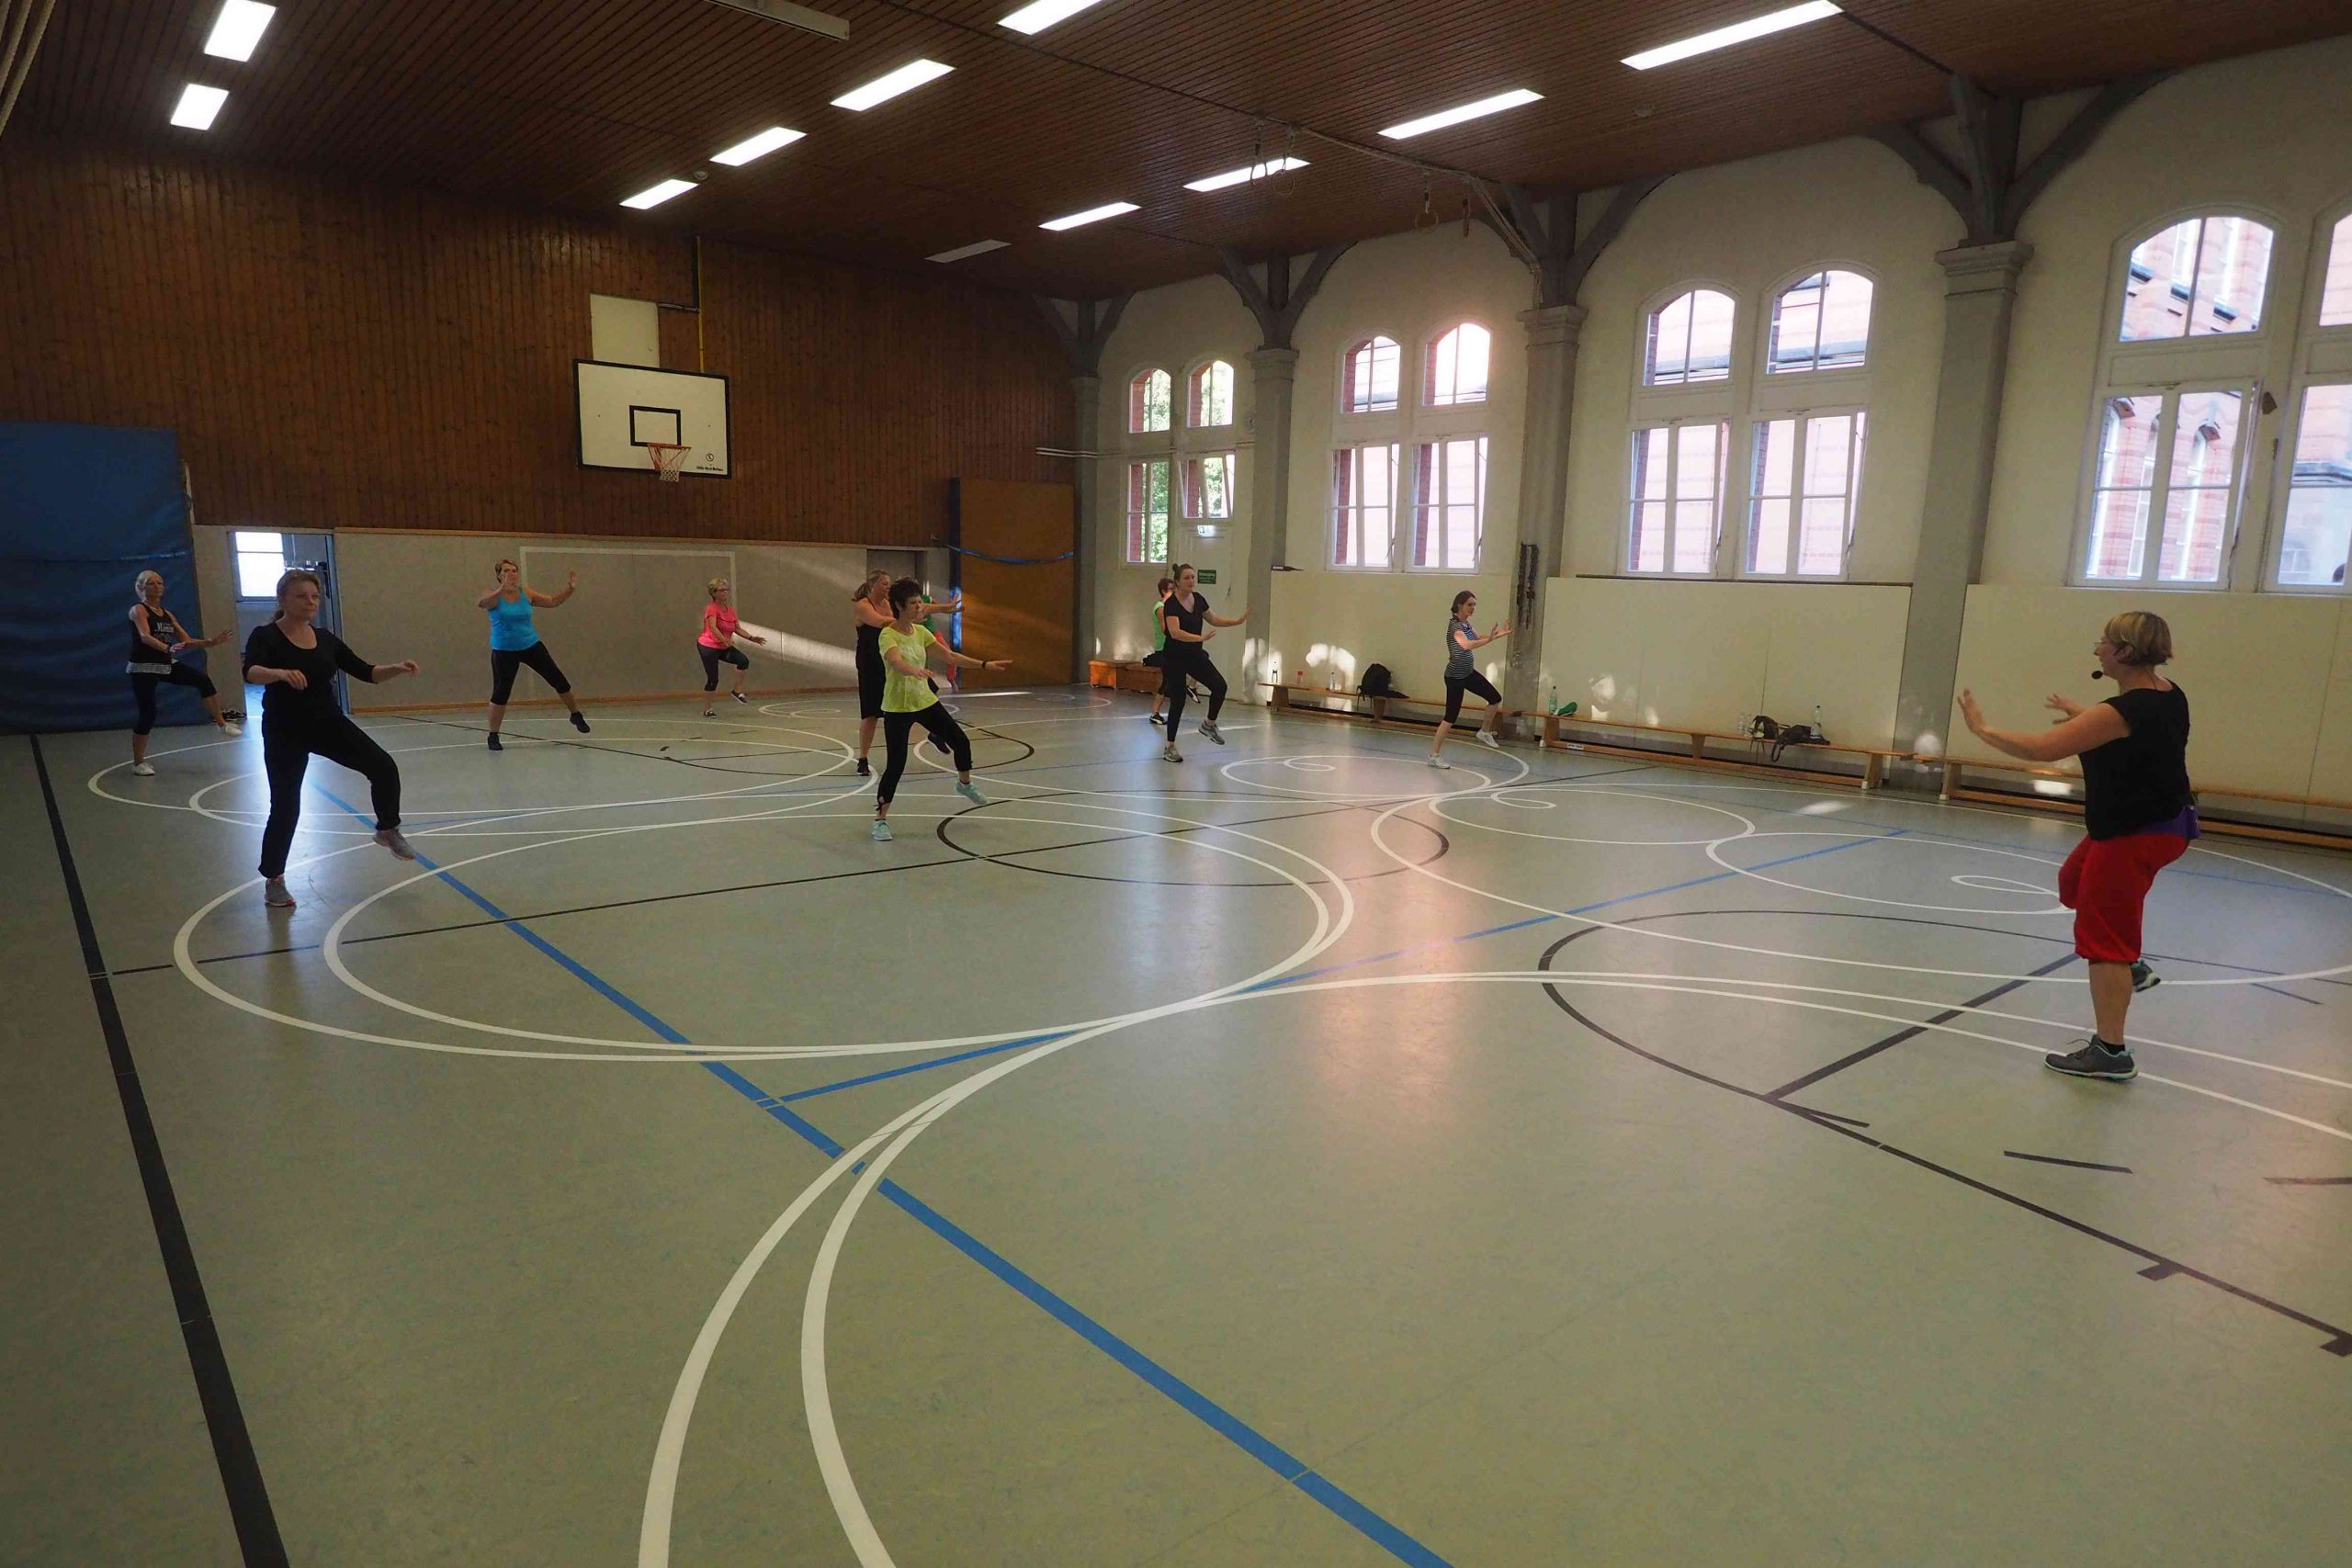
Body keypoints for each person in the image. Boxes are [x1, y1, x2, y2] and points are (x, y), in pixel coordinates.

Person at [1959, 609, 2194, 1081]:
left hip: (2134, 835)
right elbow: (2131, 729)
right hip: (2166, 824)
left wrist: (1982, 730)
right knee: (2073, 882)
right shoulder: (2168, 694)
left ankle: (2112, 1052)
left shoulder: (2118, 712)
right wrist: (2084, 715)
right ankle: (2131, 966)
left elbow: (2043, 749)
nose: (2097, 649)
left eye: (2104, 642)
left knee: (2104, 942)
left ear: (2125, 651)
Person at [242, 569, 420, 908]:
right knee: (285, 805)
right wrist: (278, 673)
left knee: (383, 766)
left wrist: (396, 668)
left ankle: (387, 829)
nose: (310, 602)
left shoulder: (325, 639)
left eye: (314, 597)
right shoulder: (265, 636)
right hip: (285, 730)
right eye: (301, 596)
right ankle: (274, 879)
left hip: (328, 724)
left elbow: (366, 672)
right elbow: (250, 671)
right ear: (282, 599)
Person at [872, 577, 1008, 842]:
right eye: (913, 603)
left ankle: (964, 784)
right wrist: (913, 670)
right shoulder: (888, 634)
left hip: (924, 701)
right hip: (898, 707)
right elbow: (896, 662)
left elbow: (950, 656)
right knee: (896, 765)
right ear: (899, 606)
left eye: (919, 603)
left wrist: (984, 665)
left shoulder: (921, 632)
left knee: (961, 741)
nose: (919, 607)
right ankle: (880, 820)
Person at [124, 568, 240, 774]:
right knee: (148, 713)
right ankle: (138, 763)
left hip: (165, 663)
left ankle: (221, 723)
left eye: (159, 583)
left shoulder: (167, 614)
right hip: (143, 667)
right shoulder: (138, 610)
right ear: (141, 587)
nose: (156, 586)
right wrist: (166, 647)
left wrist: (211, 642)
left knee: (202, 680)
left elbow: (186, 640)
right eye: (151, 583)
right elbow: (145, 636)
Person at [851, 570, 958, 778]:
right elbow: (880, 622)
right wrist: (907, 618)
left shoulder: (892, 604)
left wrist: (946, 608)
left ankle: (935, 733)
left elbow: (920, 607)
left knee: (928, 691)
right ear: (873, 585)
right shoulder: (863, 605)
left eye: (889, 583)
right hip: (872, 662)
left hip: (897, 659)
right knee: (871, 713)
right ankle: (863, 759)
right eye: (884, 583)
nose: (888, 587)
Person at [477, 558, 588, 751]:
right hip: (504, 650)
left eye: (514, 571)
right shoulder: (492, 594)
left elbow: (552, 601)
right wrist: (501, 588)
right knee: (501, 692)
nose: (511, 574)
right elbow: (483, 603)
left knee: (559, 680)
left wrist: (569, 589)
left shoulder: (525, 593)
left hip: (531, 645)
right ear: (499, 575)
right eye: (506, 571)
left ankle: (576, 714)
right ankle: (493, 735)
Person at [1156, 563, 1249, 763]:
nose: (1191, 581)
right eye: (1187, 578)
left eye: (1193, 577)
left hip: (1194, 655)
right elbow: (1175, 632)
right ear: (1178, 582)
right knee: (1178, 700)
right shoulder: (1171, 604)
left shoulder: (1198, 599)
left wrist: (1236, 621)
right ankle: (1170, 746)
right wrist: (1199, 638)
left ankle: (1209, 724)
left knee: (1220, 686)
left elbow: (1213, 619)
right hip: (1174, 658)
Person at [1429, 590, 1510, 769]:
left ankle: (1484, 732)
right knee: (1450, 718)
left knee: (1494, 698)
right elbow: (1466, 645)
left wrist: (1499, 634)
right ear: (1460, 605)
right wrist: (1489, 640)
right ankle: (1434, 755)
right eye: (1469, 605)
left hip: (1468, 673)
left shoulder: (1466, 624)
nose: (1473, 608)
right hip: (1455, 678)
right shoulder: (1455, 626)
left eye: (1474, 605)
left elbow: (1477, 638)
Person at [695, 577, 766, 716]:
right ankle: (708, 709)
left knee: (743, 661)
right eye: (721, 590)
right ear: (714, 592)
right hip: (708, 646)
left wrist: (752, 638)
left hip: (723, 646)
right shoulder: (711, 608)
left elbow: (737, 629)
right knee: (713, 679)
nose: (725, 592)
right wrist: (724, 640)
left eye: (726, 590)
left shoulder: (730, 611)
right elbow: (713, 627)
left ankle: (736, 691)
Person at [1144, 574, 1174, 727]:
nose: (1174, 592)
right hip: (1163, 648)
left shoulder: (1170, 607)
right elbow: (1165, 629)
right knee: (1167, 681)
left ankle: (1191, 687)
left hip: (1172, 647)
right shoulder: (1160, 607)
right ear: (1163, 591)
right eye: (1171, 589)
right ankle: (1155, 713)